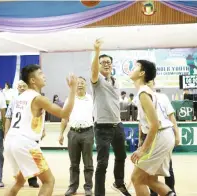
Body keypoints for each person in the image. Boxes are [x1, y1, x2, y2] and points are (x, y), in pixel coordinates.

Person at [4, 64, 77, 196]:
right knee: (49, 181)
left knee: (19, 182)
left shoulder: (19, 97)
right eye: (40, 74)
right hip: (25, 144)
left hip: (10, 141)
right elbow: (64, 113)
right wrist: (72, 89)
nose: (44, 76)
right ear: (32, 80)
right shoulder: (38, 98)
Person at [129, 60, 176, 196]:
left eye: (136, 66)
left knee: (136, 178)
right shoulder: (144, 92)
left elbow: (155, 124)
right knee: (148, 179)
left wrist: (143, 150)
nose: (133, 68)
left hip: (160, 135)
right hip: (163, 135)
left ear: (142, 73)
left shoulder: (143, 93)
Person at [91, 39, 131, 196]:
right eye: (103, 63)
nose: (106, 64)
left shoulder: (115, 81)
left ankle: (119, 183)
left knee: (121, 156)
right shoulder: (97, 80)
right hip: (102, 127)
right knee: (102, 163)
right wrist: (97, 52)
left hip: (118, 125)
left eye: (108, 62)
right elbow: (94, 72)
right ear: (98, 65)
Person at [138, 80, 180, 196]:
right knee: (150, 170)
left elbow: (171, 117)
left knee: (168, 168)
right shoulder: (141, 97)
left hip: (162, 135)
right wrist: (141, 140)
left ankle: (171, 191)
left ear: (154, 84)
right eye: (145, 83)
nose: (148, 84)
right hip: (148, 135)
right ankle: (154, 193)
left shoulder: (162, 97)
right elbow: (140, 123)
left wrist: (177, 134)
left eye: (150, 82)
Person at [59, 77, 94, 196]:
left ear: (86, 85)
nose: (79, 85)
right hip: (73, 133)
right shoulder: (70, 99)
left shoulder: (91, 99)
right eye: (78, 83)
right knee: (74, 163)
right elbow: (64, 117)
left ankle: (88, 188)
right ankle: (72, 187)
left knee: (88, 163)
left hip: (88, 133)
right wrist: (61, 134)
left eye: (82, 83)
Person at [5, 80, 40, 188]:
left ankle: (32, 179)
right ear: (17, 88)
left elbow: (38, 116)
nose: (21, 88)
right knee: (18, 156)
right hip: (16, 134)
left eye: (23, 86)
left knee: (32, 157)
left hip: (30, 134)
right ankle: (19, 179)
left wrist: (41, 130)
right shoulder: (14, 100)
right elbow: (8, 117)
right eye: (19, 86)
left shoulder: (34, 99)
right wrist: (6, 132)